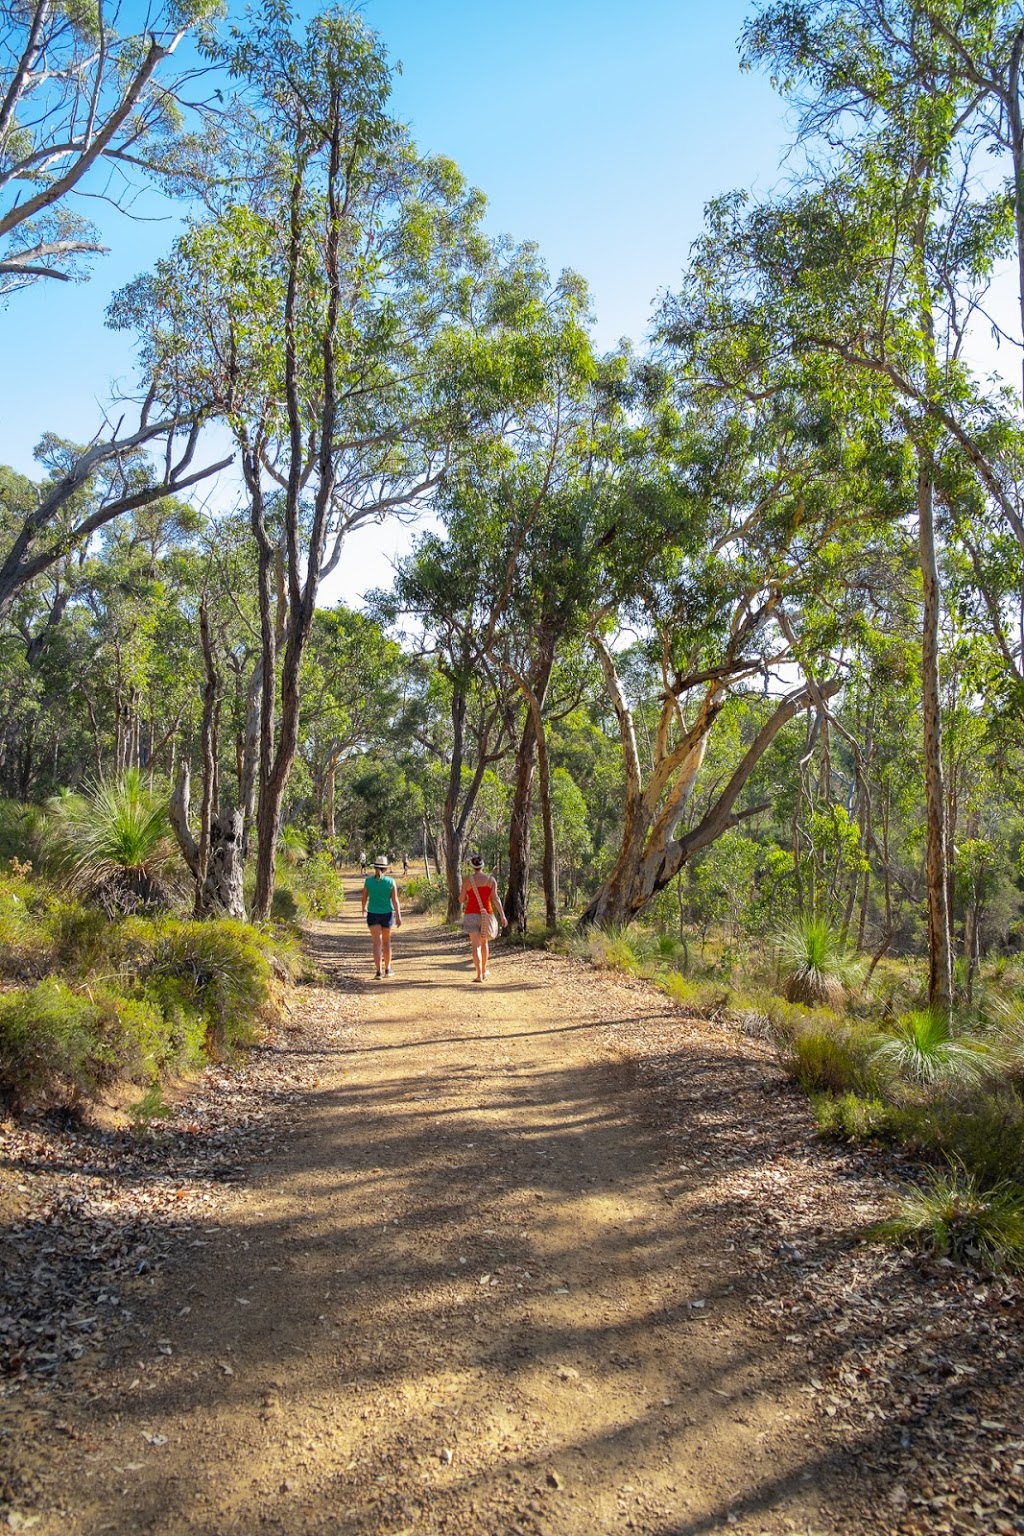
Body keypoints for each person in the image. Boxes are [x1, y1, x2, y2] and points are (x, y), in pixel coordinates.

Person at [459, 853, 506, 982]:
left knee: (475, 945)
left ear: (472, 866)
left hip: (471, 914)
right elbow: (495, 899)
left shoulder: (467, 881)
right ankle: (484, 971)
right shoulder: (491, 881)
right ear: (482, 865)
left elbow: (461, 899)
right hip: (487, 914)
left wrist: (467, 896)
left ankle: (478, 975)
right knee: (484, 943)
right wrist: (502, 915)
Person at [361, 855, 402, 978]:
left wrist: (363, 908)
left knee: (376, 943)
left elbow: (364, 897)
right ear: (385, 868)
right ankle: (388, 969)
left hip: (373, 914)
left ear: (375, 868)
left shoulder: (368, 881)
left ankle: (378, 971)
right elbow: (395, 900)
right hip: (387, 914)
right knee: (386, 942)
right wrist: (399, 916)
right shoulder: (390, 882)